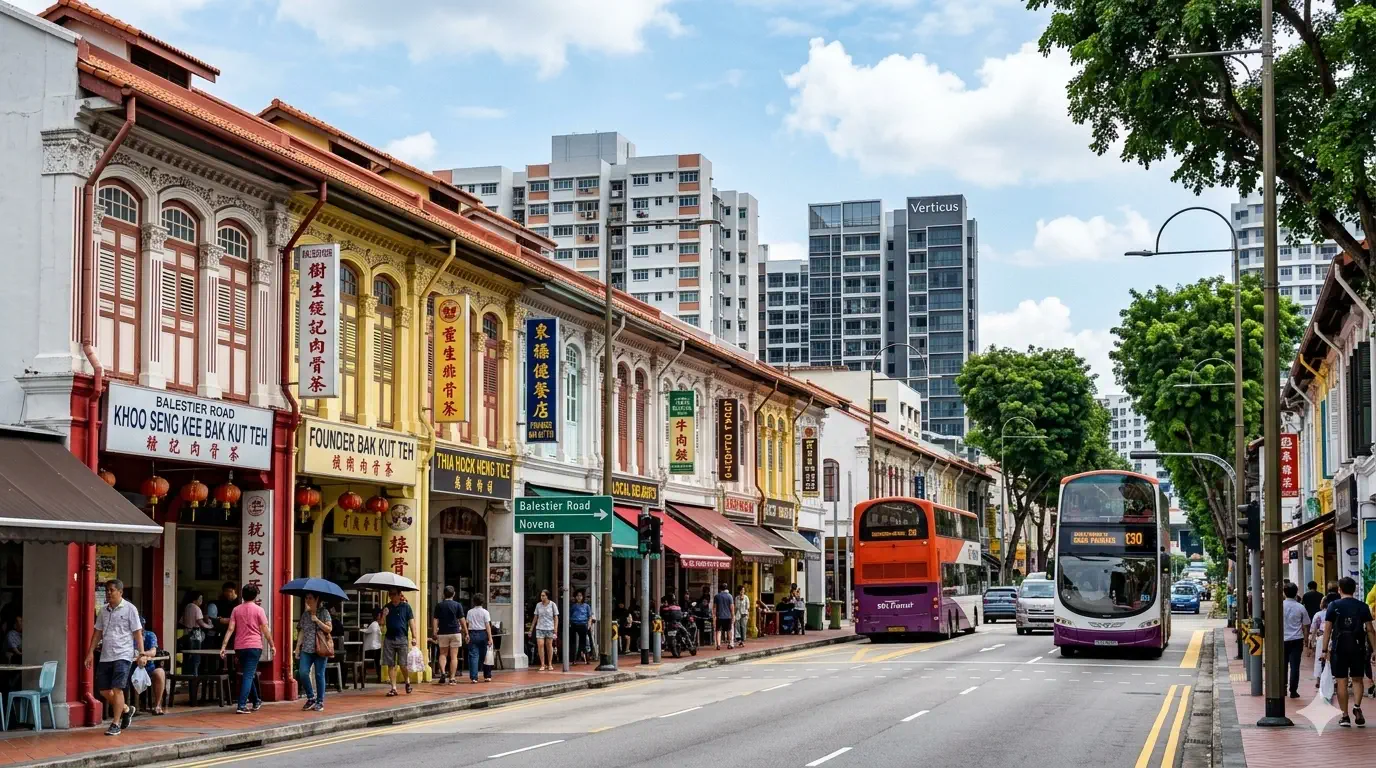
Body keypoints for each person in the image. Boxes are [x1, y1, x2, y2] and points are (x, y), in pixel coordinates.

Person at [85, 579, 145, 737]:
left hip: (123, 654)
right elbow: (97, 632)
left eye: (112, 590)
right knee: (104, 690)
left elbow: (137, 632)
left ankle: (115, 723)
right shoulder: (103, 611)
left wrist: (142, 653)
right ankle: (126, 709)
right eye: (107, 591)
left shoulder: (130, 609)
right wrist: (90, 652)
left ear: (120, 592)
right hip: (106, 655)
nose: (109, 593)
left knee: (118, 689)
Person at [1317, 577, 1376, 727]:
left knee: (1342, 681)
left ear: (1339, 590)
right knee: (1357, 679)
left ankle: (1345, 716)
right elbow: (1370, 629)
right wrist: (1375, 650)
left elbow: (1328, 629)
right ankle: (1357, 706)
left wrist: (1324, 650)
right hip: (1358, 647)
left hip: (1339, 648)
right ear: (1354, 589)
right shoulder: (1362, 606)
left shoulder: (1333, 605)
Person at [221, 584, 271, 714]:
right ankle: (241, 705)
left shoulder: (236, 610)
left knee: (249, 674)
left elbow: (230, 629)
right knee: (248, 675)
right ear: (255, 596)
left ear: (242, 595)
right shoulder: (259, 610)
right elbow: (265, 629)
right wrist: (272, 644)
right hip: (254, 646)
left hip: (240, 647)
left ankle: (256, 701)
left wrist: (224, 646)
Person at [293, 593, 332, 711]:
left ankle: (320, 701)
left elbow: (329, 629)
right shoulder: (305, 615)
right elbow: (302, 631)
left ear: (317, 599)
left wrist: (317, 620)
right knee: (303, 672)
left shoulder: (324, 612)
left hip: (321, 648)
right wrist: (298, 647)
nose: (307, 600)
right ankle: (311, 697)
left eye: (310, 598)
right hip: (307, 649)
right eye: (306, 598)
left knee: (319, 675)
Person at [380, 589, 417, 695]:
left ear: (399, 595)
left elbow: (411, 623)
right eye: (390, 594)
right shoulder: (387, 607)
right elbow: (382, 623)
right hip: (389, 638)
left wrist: (414, 637)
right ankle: (394, 688)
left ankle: (407, 682)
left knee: (403, 664)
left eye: (393, 594)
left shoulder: (406, 607)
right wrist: (384, 615)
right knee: (390, 664)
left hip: (402, 638)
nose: (391, 596)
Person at [1281, 582, 1310, 699]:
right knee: (1295, 666)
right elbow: (1306, 625)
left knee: (1282, 665)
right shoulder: (1300, 607)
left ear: (1284, 593)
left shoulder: (1280, 605)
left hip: (1282, 639)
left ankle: (1282, 688)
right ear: (1296, 593)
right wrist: (1307, 641)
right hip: (1297, 639)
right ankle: (1293, 690)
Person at [432, 586, 464, 685]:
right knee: (454, 656)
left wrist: (434, 632)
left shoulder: (439, 605)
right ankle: (452, 678)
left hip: (443, 632)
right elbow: (462, 619)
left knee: (442, 654)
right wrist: (466, 632)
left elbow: (435, 619)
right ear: (454, 594)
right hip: (455, 632)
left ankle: (442, 672)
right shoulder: (458, 605)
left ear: (443, 594)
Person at [137, 616, 166, 716]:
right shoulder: (127, 636)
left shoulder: (150, 635)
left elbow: (153, 652)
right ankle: (131, 707)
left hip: (149, 667)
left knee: (160, 672)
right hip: (132, 668)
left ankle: (158, 705)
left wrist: (143, 654)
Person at [180, 591, 212, 676]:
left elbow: (181, 621)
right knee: (196, 657)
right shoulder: (196, 608)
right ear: (194, 600)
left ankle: (186, 675)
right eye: (200, 598)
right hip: (195, 635)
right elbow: (200, 622)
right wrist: (210, 626)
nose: (201, 600)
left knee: (187, 656)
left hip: (187, 633)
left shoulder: (187, 607)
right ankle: (195, 676)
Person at [464, 594, 493, 683]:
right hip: (483, 634)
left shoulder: (470, 612)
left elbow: (467, 623)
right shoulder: (485, 612)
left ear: (474, 602)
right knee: (485, 656)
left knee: (473, 656)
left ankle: (474, 677)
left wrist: (466, 634)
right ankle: (487, 676)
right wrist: (490, 638)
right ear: (482, 602)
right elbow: (487, 625)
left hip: (472, 633)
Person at [207, 582, 241, 654]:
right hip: (224, 631)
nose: (228, 593)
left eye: (230, 591)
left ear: (235, 591)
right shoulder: (222, 602)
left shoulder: (240, 602)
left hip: (237, 631)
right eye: (226, 591)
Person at [530, 590, 558, 671]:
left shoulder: (552, 604)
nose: (542, 597)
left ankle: (549, 663)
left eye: (543, 595)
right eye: (541, 596)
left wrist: (555, 629)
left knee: (549, 645)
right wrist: (531, 629)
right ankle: (542, 664)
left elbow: (556, 617)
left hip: (550, 628)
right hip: (540, 627)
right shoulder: (538, 605)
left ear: (547, 596)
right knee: (540, 645)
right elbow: (535, 617)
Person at [569, 590, 594, 664]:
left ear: (583, 597)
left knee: (583, 642)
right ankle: (573, 659)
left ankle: (584, 657)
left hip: (583, 624)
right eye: (577, 596)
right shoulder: (573, 606)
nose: (579, 597)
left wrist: (589, 625)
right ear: (575, 597)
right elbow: (570, 615)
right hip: (574, 624)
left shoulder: (586, 606)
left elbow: (590, 616)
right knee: (572, 642)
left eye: (580, 596)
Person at [713, 584, 734, 650]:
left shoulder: (716, 596)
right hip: (728, 616)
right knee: (729, 630)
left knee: (718, 630)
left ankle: (718, 645)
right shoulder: (730, 596)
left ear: (720, 589)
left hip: (719, 616)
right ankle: (730, 643)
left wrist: (714, 616)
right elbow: (732, 607)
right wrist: (733, 616)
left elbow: (714, 608)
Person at [362, 608, 382, 677]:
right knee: (377, 662)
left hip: (372, 646)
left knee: (374, 662)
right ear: (378, 616)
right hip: (374, 647)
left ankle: (363, 676)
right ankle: (379, 676)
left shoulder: (374, 624)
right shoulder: (375, 624)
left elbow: (367, 631)